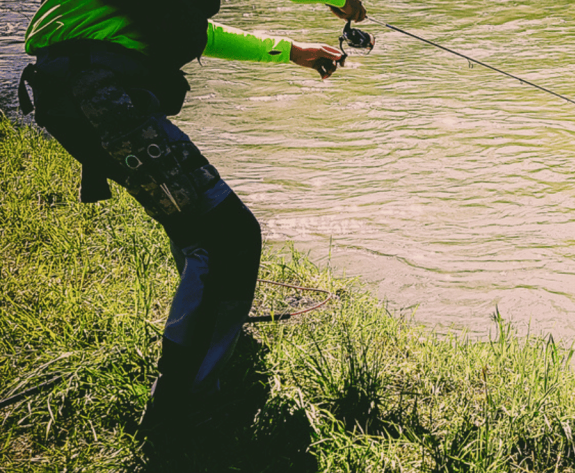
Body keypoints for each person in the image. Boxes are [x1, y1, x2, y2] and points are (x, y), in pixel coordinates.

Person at [18, 0, 366, 430]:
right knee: (227, 239)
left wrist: (289, 50)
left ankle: (211, 340)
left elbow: (195, 34)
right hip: (99, 94)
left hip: (76, 91)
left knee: (196, 223)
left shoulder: (133, 14)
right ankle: (184, 401)